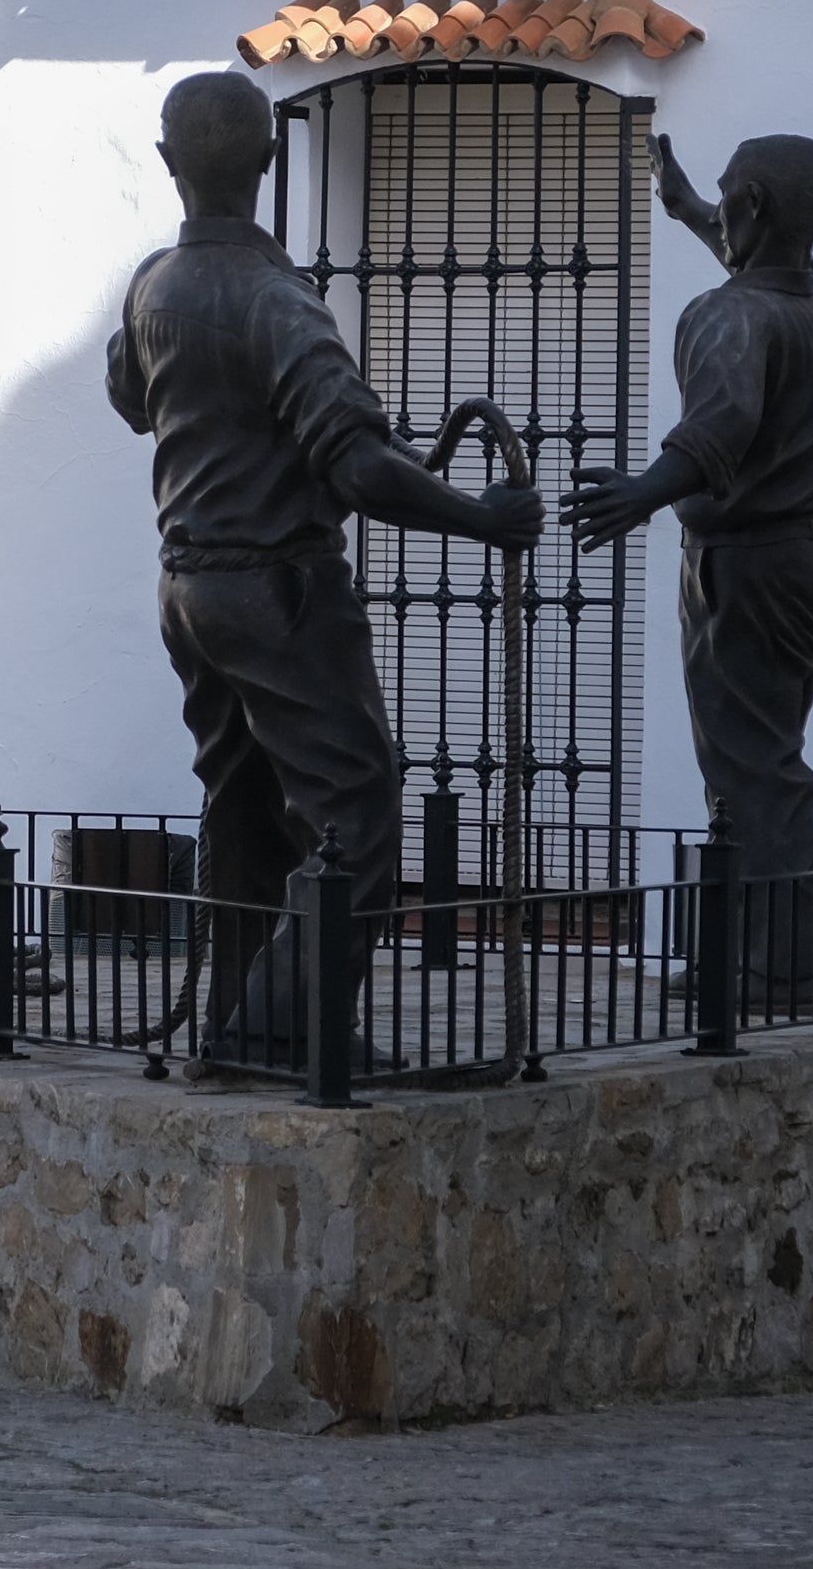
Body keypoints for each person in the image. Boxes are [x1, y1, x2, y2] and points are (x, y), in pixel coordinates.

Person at [104, 72, 543, 1058]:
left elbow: (132, 399)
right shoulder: (277, 300)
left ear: (171, 166)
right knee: (357, 820)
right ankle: (282, 1033)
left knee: (245, 804)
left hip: (191, 589)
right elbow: (355, 465)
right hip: (279, 590)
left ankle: (241, 1024)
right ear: (268, 160)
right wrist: (485, 517)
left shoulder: (153, 286)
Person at [562, 133, 813, 992]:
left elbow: (719, 425)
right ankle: (771, 955)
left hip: (746, 564)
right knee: (766, 755)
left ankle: (788, 971)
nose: (720, 205)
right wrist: (690, 208)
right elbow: (754, 261)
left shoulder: (728, 315)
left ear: (755, 205)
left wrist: (641, 493)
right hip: (810, 561)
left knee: (747, 765)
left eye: (730, 195)